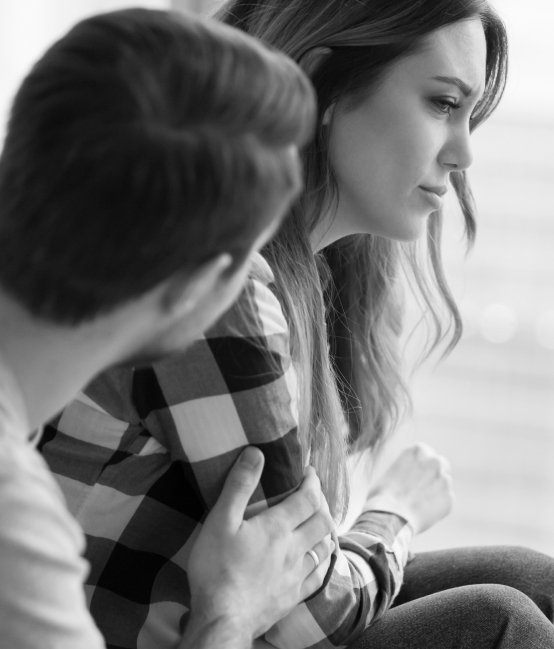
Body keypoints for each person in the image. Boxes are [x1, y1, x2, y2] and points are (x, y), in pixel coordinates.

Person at [40, 1, 554, 648]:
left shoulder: (308, 279)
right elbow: (302, 614)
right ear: (325, 87)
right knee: (503, 621)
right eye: (443, 104)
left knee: (534, 578)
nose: (463, 154)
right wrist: (397, 511)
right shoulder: (214, 282)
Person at [0, 7, 337, 649]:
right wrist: (227, 618)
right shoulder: (17, 539)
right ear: (193, 288)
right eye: (248, 269)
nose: (260, 286)